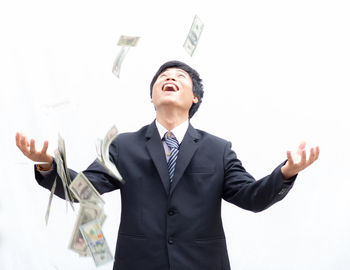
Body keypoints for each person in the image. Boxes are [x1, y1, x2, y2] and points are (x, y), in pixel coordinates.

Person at [15, 60, 320, 270]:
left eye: (180, 77)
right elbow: (82, 190)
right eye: (163, 77)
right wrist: (47, 165)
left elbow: (251, 197)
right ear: (152, 96)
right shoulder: (124, 146)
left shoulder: (218, 149)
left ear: (194, 99)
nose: (170, 78)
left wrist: (286, 172)